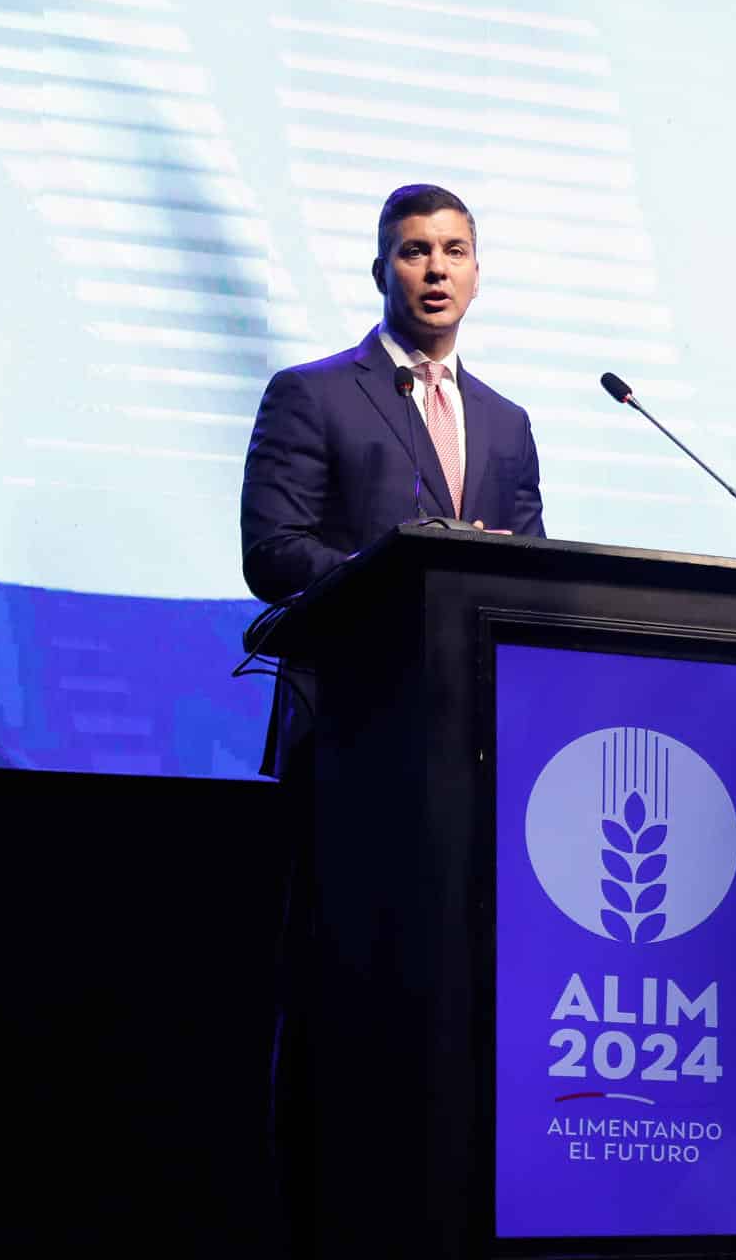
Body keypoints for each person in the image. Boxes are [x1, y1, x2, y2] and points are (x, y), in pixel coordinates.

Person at [238, 182, 545, 1255]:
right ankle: (319, 1219)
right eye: (413, 251)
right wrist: (400, 582)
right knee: (336, 992)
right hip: (353, 734)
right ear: (381, 271)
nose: (435, 269)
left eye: (454, 250)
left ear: (476, 269)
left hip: (470, 753)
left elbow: (532, 579)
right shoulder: (312, 394)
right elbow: (272, 550)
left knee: (453, 993)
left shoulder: (506, 422)